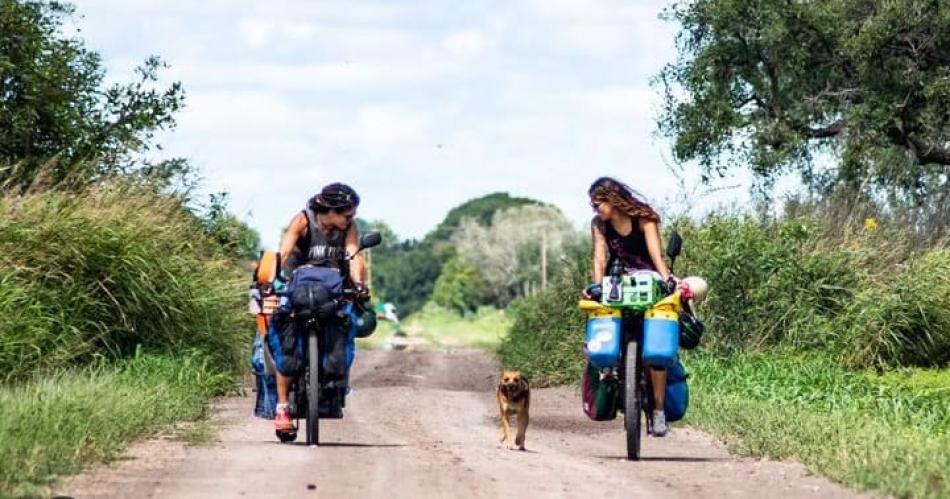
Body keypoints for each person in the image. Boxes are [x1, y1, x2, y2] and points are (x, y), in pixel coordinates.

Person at [270, 182, 368, 435]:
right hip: (295, 287)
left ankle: (334, 382)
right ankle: (282, 407)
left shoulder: (349, 229)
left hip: (332, 291)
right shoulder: (303, 221)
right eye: (347, 215)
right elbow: (284, 252)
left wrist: (358, 285)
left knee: (345, 325)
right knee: (286, 341)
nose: (351, 219)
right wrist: (272, 281)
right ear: (331, 210)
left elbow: (354, 256)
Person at [582, 176, 676, 437]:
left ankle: (658, 411)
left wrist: (667, 279)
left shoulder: (645, 218)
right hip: (619, 280)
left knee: (656, 351)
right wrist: (597, 285)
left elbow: (656, 254)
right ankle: (608, 367)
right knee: (599, 309)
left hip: (648, 279)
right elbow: (600, 256)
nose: (596, 209)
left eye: (598, 203)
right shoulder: (599, 224)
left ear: (612, 199)